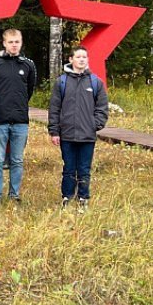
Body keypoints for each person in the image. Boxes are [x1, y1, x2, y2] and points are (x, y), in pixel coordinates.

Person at [48, 46, 108, 212]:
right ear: (71, 59)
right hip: (66, 134)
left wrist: (94, 125)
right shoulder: (62, 82)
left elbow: (102, 108)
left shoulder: (95, 82)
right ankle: (67, 196)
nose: (81, 60)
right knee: (68, 168)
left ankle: (83, 197)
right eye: (78, 57)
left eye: (84, 57)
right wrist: (54, 131)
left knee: (84, 169)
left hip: (87, 136)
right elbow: (54, 108)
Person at [0, 29, 37, 206]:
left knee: (17, 160)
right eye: (11, 42)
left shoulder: (28, 65)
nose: (14, 45)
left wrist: (19, 107)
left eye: (17, 42)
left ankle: (14, 195)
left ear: (21, 43)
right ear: (4, 43)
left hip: (20, 121)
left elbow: (29, 90)